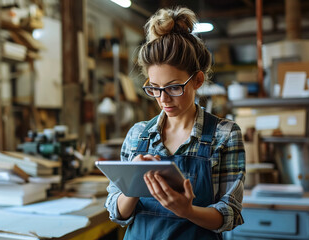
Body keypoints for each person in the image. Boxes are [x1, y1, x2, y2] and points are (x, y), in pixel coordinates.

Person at [105, 6, 246, 240]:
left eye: (173, 87)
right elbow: (116, 213)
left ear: (197, 80)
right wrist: (133, 185)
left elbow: (230, 213)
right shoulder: (138, 135)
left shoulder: (225, 135)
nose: (163, 99)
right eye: (155, 88)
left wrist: (187, 211)